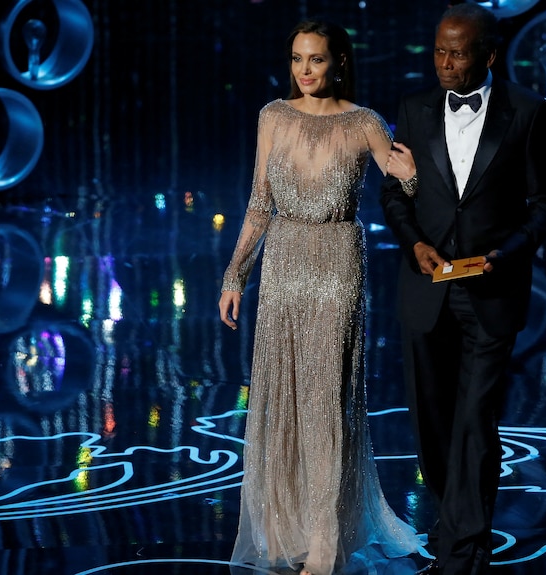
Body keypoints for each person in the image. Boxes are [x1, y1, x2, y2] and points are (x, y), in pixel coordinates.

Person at [219, 18, 429, 575]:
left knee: (326, 397)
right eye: (296, 59)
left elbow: (398, 175)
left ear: (338, 62)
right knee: (285, 393)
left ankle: (325, 540)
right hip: (284, 258)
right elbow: (260, 200)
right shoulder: (273, 115)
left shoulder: (364, 122)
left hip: (337, 261)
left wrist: (409, 177)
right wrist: (235, 274)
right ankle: (289, 526)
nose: (305, 70)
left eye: (315, 59)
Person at [380, 4, 546, 575]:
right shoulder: (411, 110)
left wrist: (506, 253)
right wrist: (413, 243)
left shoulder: (530, 113)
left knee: (475, 422)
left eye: (457, 53)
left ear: (488, 55)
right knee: (433, 425)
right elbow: (394, 195)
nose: (444, 63)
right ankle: (454, 521)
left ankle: (465, 549)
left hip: (492, 288)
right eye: (438, 50)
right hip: (426, 287)